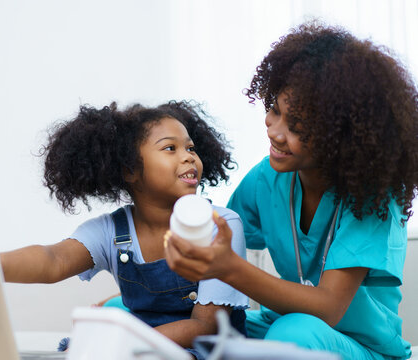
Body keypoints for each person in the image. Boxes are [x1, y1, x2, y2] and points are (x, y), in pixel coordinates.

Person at [164, 22, 418, 360]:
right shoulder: (266, 179)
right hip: (281, 325)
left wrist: (229, 268)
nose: (276, 132)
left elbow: (328, 308)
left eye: (296, 127)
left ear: (341, 138)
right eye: (274, 110)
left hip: (362, 348)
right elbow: (220, 237)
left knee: (292, 334)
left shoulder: (370, 200)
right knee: (180, 324)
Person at [0, 101, 249, 359]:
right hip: (141, 349)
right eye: (170, 148)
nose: (188, 156)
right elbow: (54, 260)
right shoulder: (112, 231)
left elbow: (205, 326)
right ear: (130, 170)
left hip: (208, 350)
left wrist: (121, 344)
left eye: (190, 148)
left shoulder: (222, 225)